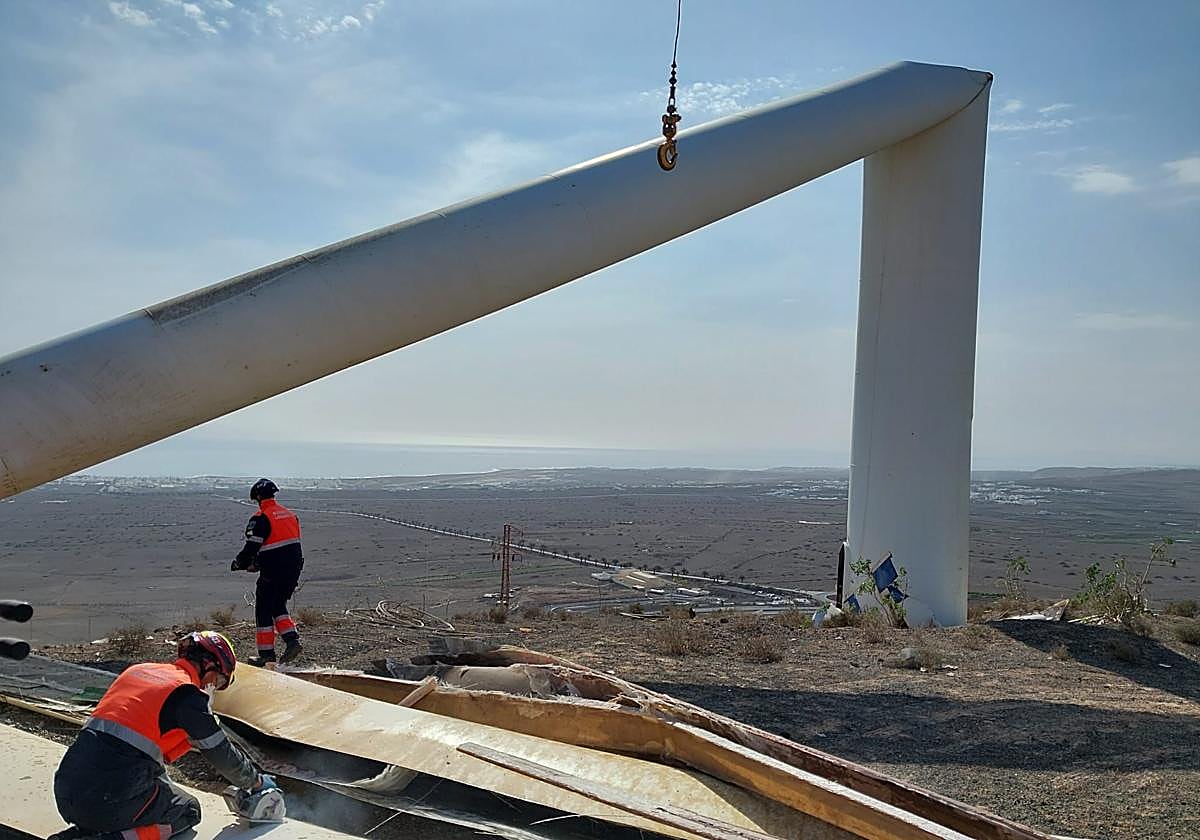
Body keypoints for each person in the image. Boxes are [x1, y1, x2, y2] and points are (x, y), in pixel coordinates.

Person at [52, 631, 275, 840]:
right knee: (187, 810)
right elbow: (220, 753)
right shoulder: (188, 695)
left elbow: (147, 748)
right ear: (208, 665)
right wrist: (254, 782)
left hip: (66, 791)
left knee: (135, 798)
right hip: (109, 799)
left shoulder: (138, 671)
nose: (213, 687)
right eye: (218, 680)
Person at [231, 479, 305, 665]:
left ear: (257, 497)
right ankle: (292, 641)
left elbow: (253, 546)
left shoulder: (260, 518)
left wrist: (240, 563)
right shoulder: (290, 515)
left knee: (263, 610)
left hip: (273, 571)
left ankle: (266, 657)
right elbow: (285, 545)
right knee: (277, 605)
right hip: (293, 569)